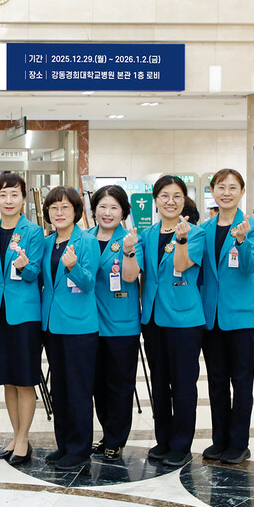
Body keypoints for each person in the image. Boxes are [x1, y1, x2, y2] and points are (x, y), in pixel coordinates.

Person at [138, 175, 206, 468]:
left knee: (182, 383)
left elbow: (181, 265)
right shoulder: (148, 234)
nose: (170, 201)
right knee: (159, 381)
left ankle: (181, 445)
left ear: (185, 201)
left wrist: (180, 239)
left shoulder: (196, 233)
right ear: (155, 200)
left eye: (177, 196)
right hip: (153, 317)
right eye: (164, 196)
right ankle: (163, 439)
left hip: (184, 319)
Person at [199, 169, 254, 466]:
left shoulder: (253, 226)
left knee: (242, 382)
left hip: (241, 319)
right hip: (211, 318)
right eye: (221, 187)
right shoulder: (205, 228)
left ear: (242, 191)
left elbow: (250, 267)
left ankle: (239, 443)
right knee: (216, 382)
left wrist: (241, 242)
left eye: (232, 187)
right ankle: (219, 440)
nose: (226, 192)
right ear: (212, 190)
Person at [0, 173, 44, 466]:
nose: (9, 201)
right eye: (3, 195)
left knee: (24, 380)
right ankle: (15, 433)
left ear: (23, 199)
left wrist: (24, 267)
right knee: (7, 380)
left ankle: (24, 438)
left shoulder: (33, 232)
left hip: (24, 315)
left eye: (14, 195)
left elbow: (36, 274)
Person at [40, 186, 99, 471]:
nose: (59, 213)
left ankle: (79, 448)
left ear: (76, 211)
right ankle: (63, 444)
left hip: (79, 327)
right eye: (54, 208)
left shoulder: (86, 242)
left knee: (77, 389)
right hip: (52, 325)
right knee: (59, 388)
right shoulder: (48, 242)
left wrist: (74, 267)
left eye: (65, 207)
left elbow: (88, 283)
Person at [87, 185, 141, 464]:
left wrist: (129, 253)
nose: (107, 213)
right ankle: (107, 434)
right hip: (88, 324)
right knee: (97, 384)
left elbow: (131, 278)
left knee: (119, 384)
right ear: (93, 209)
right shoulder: (82, 238)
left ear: (123, 212)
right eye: (102, 207)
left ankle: (116, 440)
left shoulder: (131, 239)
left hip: (121, 325)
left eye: (114, 208)